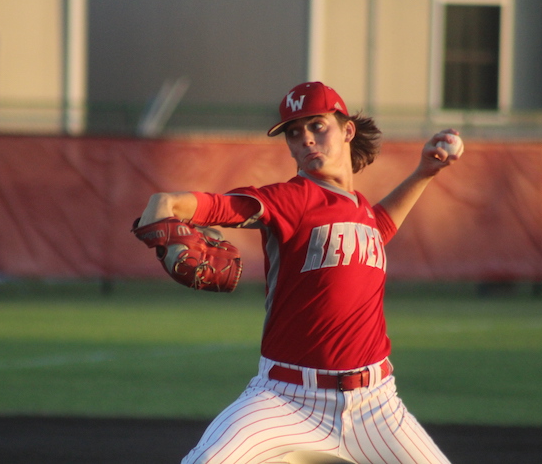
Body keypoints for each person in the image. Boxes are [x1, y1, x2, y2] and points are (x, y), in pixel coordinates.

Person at [137, 81, 459, 463]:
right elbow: (217, 206)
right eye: (294, 132)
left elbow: (379, 226)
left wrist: (424, 172)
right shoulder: (291, 199)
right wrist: (168, 203)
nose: (305, 139)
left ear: (347, 131)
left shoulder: (360, 210)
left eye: (316, 126)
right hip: (286, 399)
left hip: (376, 405)